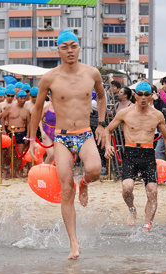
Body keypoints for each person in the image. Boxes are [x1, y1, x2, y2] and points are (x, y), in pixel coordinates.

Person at [29, 30, 107, 259]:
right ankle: (74, 242)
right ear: (59, 50)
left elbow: (101, 97)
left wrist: (101, 124)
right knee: (66, 190)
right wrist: (33, 139)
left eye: (74, 45)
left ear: (79, 47)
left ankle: (83, 182)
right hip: (61, 137)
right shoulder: (49, 78)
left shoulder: (92, 73)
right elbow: (36, 109)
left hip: (84, 133)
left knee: (94, 170)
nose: (70, 50)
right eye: (65, 47)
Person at [104, 81, 166, 229]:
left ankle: (148, 223)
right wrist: (108, 145)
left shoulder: (157, 115)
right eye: (140, 94)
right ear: (135, 95)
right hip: (130, 152)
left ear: (151, 96)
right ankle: (132, 209)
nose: (143, 97)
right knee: (127, 187)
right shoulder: (125, 112)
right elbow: (108, 130)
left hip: (148, 153)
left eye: (146, 94)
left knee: (152, 190)